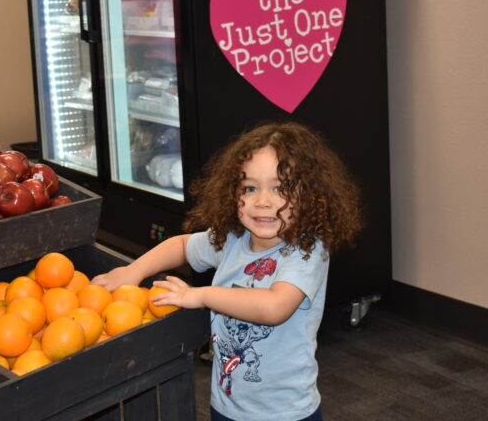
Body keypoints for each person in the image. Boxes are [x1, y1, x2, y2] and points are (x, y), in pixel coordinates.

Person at [92, 121, 362, 421]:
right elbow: (181, 245)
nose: (262, 201)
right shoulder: (233, 240)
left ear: (309, 195)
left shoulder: (306, 251)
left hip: (284, 413)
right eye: (249, 188)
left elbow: (274, 306)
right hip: (227, 404)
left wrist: (202, 295)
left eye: (280, 188)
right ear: (232, 193)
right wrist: (133, 271)